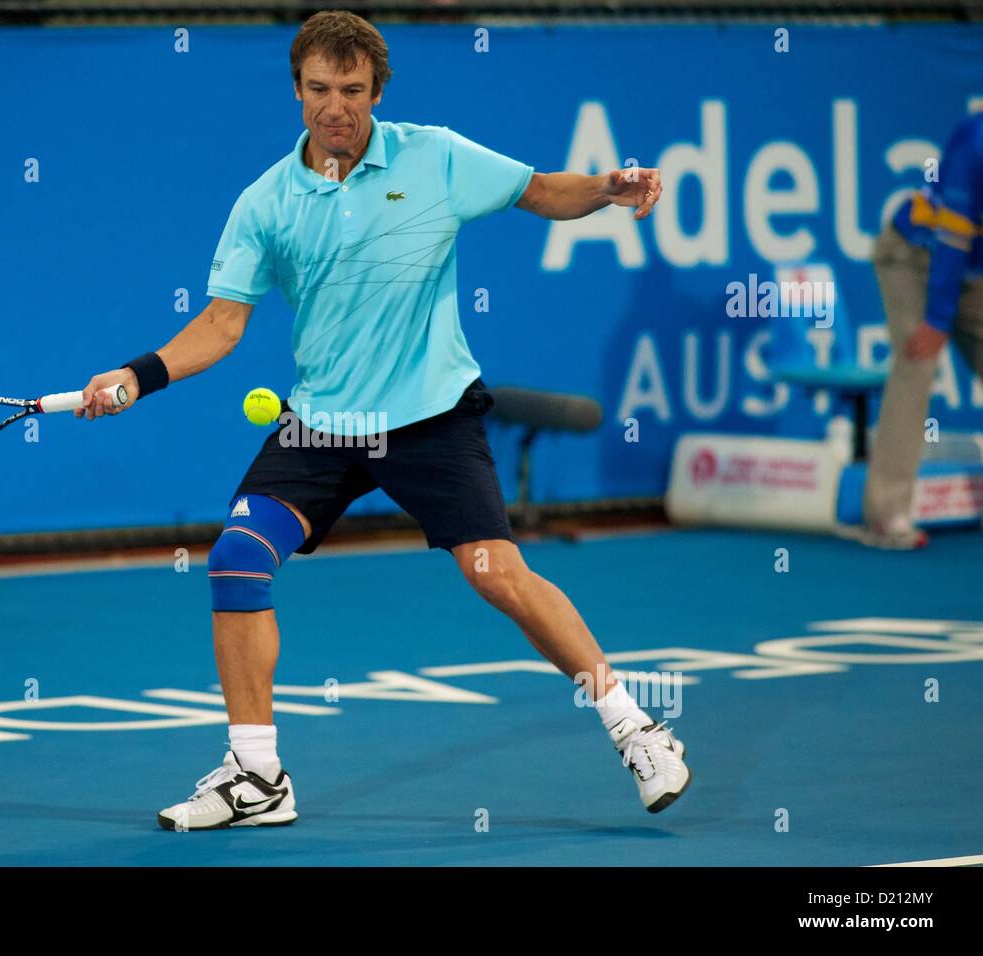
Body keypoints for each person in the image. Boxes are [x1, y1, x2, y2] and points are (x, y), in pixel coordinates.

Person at [77, 10, 690, 829]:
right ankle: (257, 776)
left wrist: (610, 189)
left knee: (497, 576)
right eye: (321, 89)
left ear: (377, 91)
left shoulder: (434, 156)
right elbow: (222, 324)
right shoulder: (265, 203)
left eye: (354, 91)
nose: (337, 107)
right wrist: (137, 375)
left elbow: (542, 191)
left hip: (431, 416)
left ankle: (635, 726)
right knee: (234, 560)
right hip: (324, 426)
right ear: (297, 89)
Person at [860, 113, 983, 549]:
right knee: (918, 362)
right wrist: (937, 318)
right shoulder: (975, 142)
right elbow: (952, 241)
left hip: (971, 270)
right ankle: (885, 514)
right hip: (913, 257)